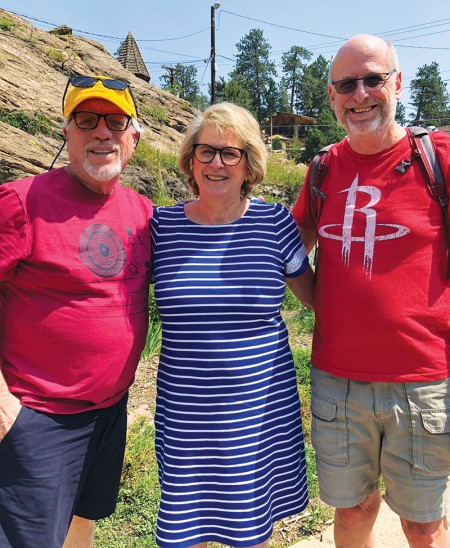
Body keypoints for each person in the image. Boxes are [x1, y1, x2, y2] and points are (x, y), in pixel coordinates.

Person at [292, 34, 450, 548]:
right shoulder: (322, 171)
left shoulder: (439, 158)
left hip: (424, 378)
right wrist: (329, 305)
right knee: (355, 510)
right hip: (339, 382)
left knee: (423, 524)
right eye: (345, 85)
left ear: (397, 83)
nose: (360, 94)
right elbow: (289, 254)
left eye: (373, 79)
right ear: (333, 97)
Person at [150, 101, 314, 548]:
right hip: (186, 412)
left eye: (230, 153)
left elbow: (320, 300)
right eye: (206, 151)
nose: (216, 163)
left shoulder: (274, 223)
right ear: (190, 160)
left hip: (258, 409)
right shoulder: (161, 225)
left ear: (249, 164)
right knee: (187, 528)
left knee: (250, 528)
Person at [0, 75, 153, 547]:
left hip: (110, 410)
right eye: (86, 120)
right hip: (38, 415)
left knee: (82, 525)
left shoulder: (144, 211)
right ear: (65, 131)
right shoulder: (22, 201)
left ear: (134, 136)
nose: (101, 132)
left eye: (114, 120)